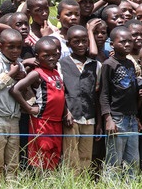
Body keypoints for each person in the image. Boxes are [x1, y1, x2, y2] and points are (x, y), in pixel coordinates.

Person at [10, 36, 65, 170]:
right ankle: (40, 181)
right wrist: (28, 108)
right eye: (46, 56)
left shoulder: (56, 72)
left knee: (55, 153)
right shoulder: (37, 73)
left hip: (57, 121)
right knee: (41, 153)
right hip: (42, 120)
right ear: (37, 57)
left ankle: (50, 181)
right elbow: (15, 90)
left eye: (54, 55)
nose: (51, 58)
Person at [58, 25, 101, 173]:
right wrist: (66, 112)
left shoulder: (95, 65)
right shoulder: (61, 64)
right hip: (71, 116)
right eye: (76, 41)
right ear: (68, 44)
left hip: (89, 118)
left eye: (84, 41)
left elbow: (96, 94)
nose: (81, 45)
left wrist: (99, 122)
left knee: (86, 157)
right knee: (71, 157)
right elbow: (61, 92)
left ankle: (83, 183)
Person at [99, 26, 140, 178]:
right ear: (112, 44)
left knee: (133, 159)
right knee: (114, 160)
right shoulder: (108, 64)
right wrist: (108, 118)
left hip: (131, 118)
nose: (128, 44)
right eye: (123, 41)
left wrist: (136, 116)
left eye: (130, 41)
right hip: (116, 118)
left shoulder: (130, 63)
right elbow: (103, 94)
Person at [0, 29, 25, 178]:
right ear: (0, 46)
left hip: (14, 118)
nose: (15, 51)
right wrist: (10, 75)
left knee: (13, 162)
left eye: (19, 47)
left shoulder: (19, 64)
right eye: (10, 47)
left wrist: (23, 78)